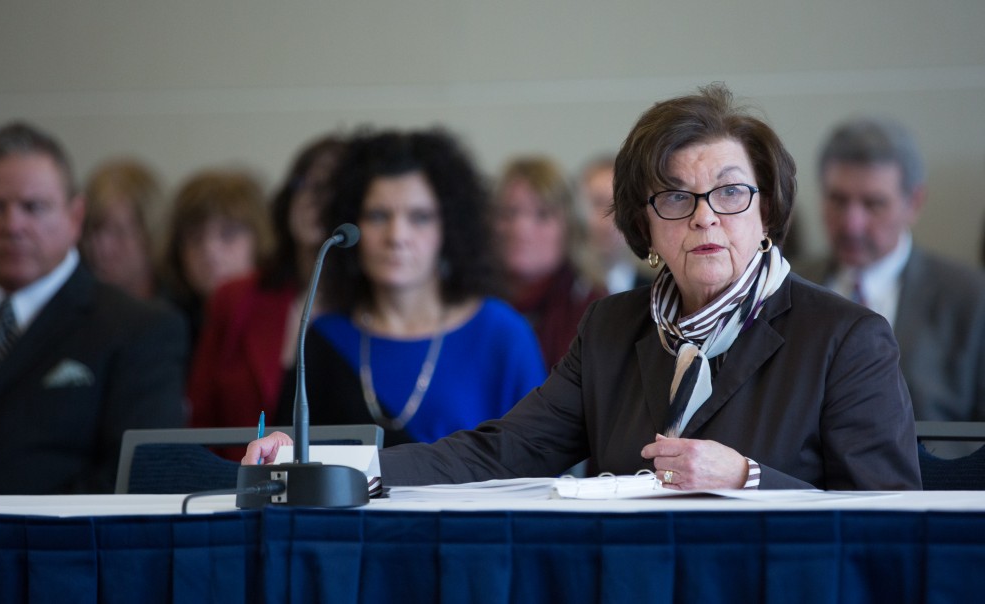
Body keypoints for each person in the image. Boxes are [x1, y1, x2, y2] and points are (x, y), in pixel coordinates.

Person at [247, 84, 922, 491]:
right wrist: (332, 465)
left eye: (732, 193)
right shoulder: (611, 328)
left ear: (768, 210)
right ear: (641, 225)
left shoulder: (845, 338)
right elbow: (504, 449)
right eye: (677, 198)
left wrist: (748, 481)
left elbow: (890, 515)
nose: (706, 216)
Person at [273, 128, 547, 447]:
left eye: (419, 217)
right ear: (351, 223)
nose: (396, 236)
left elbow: (541, 466)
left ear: (450, 228)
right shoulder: (326, 338)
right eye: (378, 216)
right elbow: (287, 467)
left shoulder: (501, 334)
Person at [0, 122, 187, 494]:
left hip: (50, 547)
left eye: (33, 207)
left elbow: (139, 476)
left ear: (75, 217)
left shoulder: (138, 328)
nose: (12, 225)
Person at [796, 116, 985, 424]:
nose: (852, 224)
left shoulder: (971, 299)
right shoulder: (785, 286)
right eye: (838, 201)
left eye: (873, 204)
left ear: (914, 203)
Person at [186, 135, 346, 438]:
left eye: (329, 188)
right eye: (305, 184)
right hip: (238, 480)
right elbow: (198, 427)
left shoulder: (378, 307)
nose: (313, 199)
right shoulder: (235, 298)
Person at [492, 155, 608, 368]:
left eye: (542, 215)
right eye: (509, 212)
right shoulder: (468, 304)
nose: (520, 229)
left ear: (570, 229)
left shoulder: (595, 312)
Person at [158, 167, 274, 350]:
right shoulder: (165, 323)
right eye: (195, 236)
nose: (210, 250)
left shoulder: (285, 319)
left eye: (228, 234)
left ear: (260, 239)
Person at [79, 158, 165, 300]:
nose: (102, 247)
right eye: (94, 229)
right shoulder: (72, 304)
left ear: (150, 235)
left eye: (119, 232)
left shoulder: (183, 313)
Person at [578, 153, 654, 294]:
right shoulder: (561, 289)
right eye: (598, 203)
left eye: (619, 204)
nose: (610, 217)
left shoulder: (656, 290)